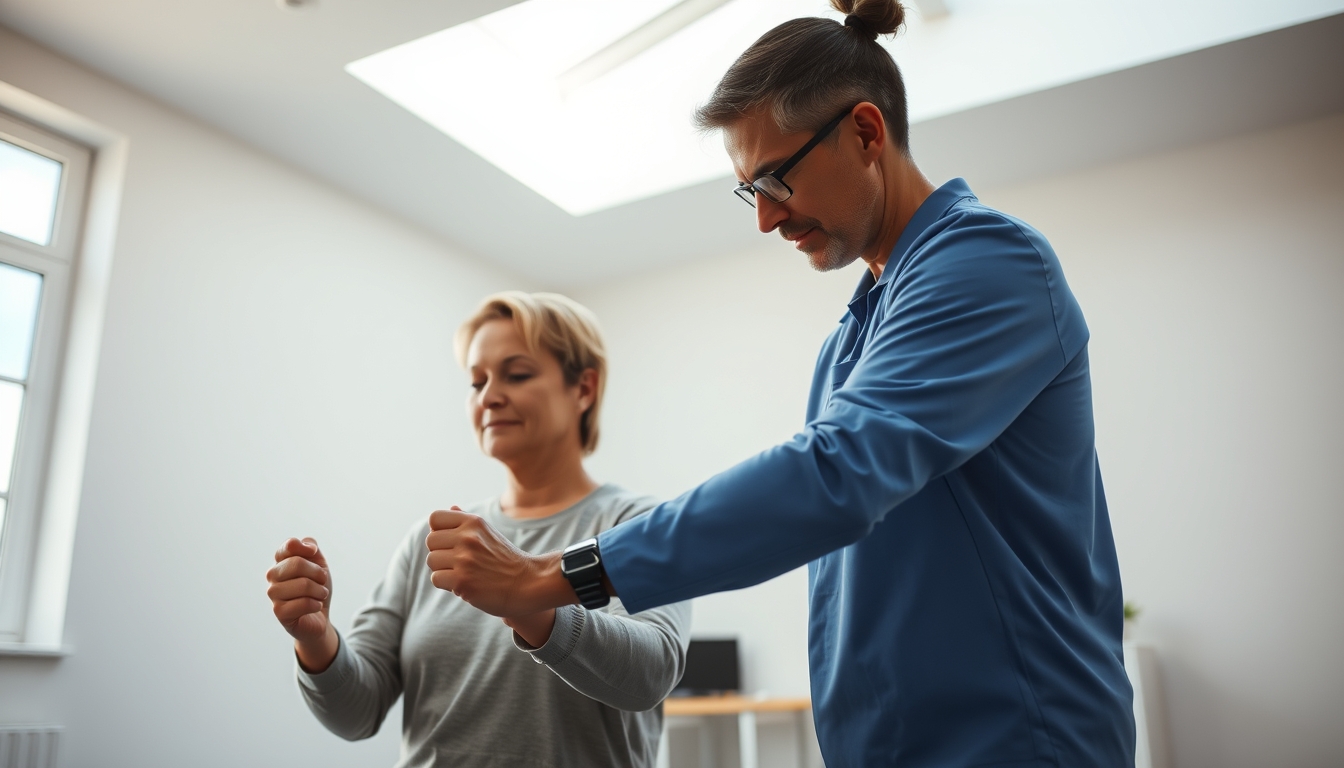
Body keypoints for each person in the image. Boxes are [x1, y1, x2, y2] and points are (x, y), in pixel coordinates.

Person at [426, 1, 1137, 766]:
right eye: (748, 190)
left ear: (866, 133)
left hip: (1016, 744)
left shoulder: (988, 263)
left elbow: (836, 475)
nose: (765, 218)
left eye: (775, 179)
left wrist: (558, 578)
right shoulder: (850, 337)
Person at [264, 292, 690, 768]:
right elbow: (357, 715)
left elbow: (651, 675)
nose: (488, 396)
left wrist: (525, 598)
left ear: (583, 389)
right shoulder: (431, 542)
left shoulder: (637, 524)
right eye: (476, 381)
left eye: (517, 374)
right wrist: (316, 640)